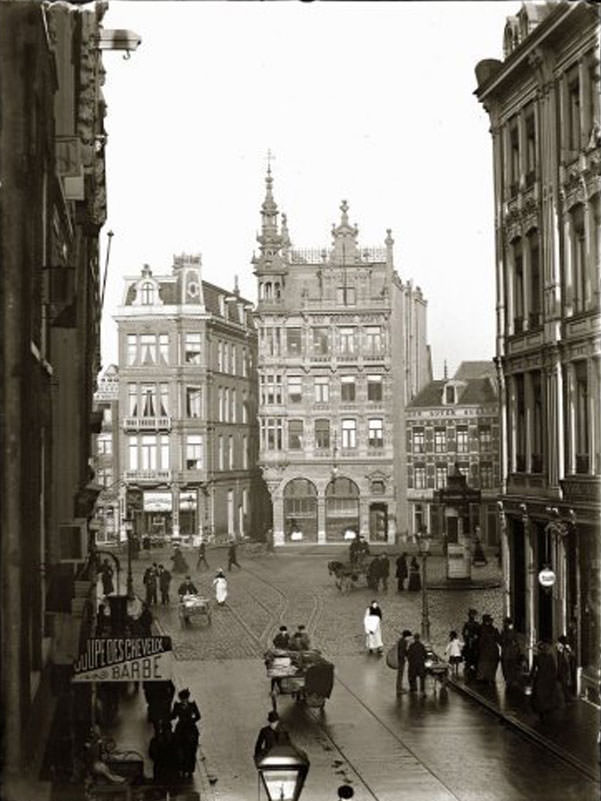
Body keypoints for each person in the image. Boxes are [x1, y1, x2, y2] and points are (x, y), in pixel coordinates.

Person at [171, 689, 201, 779]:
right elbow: (173, 716)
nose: (184, 700)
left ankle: (190, 770)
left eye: (185, 698)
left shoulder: (192, 705)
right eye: (182, 698)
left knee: (191, 751)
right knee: (181, 750)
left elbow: (198, 716)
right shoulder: (177, 706)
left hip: (191, 729)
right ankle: (182, 769)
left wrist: (191, 721)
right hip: (180, 730)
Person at [531, 641, 564, 721]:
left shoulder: (537, 657)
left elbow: (533, 669)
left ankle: (542, 710)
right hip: (548, 679)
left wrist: (531, 677)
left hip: (541, 678)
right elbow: (553, 669)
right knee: (547, 694)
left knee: (540, 695)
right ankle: (546, 709)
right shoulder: (550, 658)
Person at [476, 614, 500, 685]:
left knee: (488, 664)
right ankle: (488, 678)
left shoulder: (491, 629)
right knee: (487, 664)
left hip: (488, 650)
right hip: (488, 650)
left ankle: (488, 678)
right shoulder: (488, 629)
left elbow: (480, 640)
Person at [500, 617, 522, 690]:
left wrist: (517, 649)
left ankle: (512, 680)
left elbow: (516, 642)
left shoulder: (513, 632)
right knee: (506, 666)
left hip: (512, 652)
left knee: (512, 666)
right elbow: (502, 641)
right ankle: (508, 680)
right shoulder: (503, 632)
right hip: (506, 652)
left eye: (507, 623)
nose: (505, 625)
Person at [556, 634, 575, 702]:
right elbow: (560, 659)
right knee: (564, 683)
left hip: (565, 668)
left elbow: (572, 655)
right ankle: (566, 697)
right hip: (562, 669)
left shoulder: (565, 648)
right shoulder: (560, 648)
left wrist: (568, 650)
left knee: (565, 683)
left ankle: (565, 696)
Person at [461, 609, 480, 675]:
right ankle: (468, 665)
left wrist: (476, 637)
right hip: (469, 640)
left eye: (473, 615)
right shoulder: (467, 624)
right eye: (472, 615)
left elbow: (478, 632)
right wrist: (467, 638)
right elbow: (463, 633)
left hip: (475, 640)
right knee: (468, 652)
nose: (473, 616)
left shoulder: (476, 624)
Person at [396, 629, 412, 696]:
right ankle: (399, 689)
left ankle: (399, 687)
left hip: (400, 659)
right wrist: (406, 656)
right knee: (400, 674)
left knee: (400, 674)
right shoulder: (404, 642)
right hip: (401, 660)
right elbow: (403, 651)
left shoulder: (401, 640)